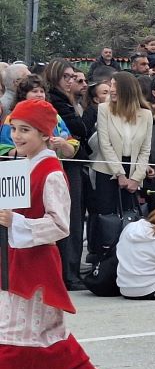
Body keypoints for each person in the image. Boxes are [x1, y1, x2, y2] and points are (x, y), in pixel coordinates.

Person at [0, 98, 115, 369]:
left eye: (26, 130)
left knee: (15, 333)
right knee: (48, 331)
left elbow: (60, 225)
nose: (17, 136)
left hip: (35, 263)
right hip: (14, 259)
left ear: (44, 134)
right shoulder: (19, 164)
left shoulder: (51, 172)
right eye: (14, 129)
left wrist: (17, 223)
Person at [41, 60, 89, 289]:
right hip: (60, 166)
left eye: (73, 76)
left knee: (74, 220)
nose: (72, 80)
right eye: (67, 76)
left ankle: (70, 272)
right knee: (65, 219)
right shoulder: (57, 102)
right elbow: (79, 130)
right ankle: (67, 274)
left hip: (71, 162)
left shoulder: (69, 101)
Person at [93, 71, 154, 223]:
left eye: (115, 85)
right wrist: (119, 174)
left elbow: (145, 149)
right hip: (107, 172)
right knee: (107, 220)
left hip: (133, 172)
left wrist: (136, 178)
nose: (111, 89)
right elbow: (105, 144)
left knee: (129, 219)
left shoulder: (146, 115)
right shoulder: (103, 109)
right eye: (111, 85)